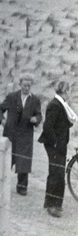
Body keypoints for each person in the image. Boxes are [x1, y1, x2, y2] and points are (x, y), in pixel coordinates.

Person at [0, 73, 43, 196]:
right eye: (25, 85)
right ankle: (0, 182)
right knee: (7, 159)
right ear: (20, 84)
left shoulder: (35, 100)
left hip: (26, 134)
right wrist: (2, 120)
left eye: (29, 85)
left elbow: (39, 115)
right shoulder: (12, 97)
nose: (27, 88)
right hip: (11, 133)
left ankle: (22, 187)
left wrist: (35, 119)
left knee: (24, 161)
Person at [38, 81, 76, 217]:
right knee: (56, 173)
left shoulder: (62, 105)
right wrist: (55, 144)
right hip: (55, 145)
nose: (69, 94)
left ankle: (56, 204)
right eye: (68, 91)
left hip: (60, 144)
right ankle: (51, 205)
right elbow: (47, 127)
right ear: (64, 92)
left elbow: (63, 125)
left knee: (58, 173)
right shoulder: (55, 105)